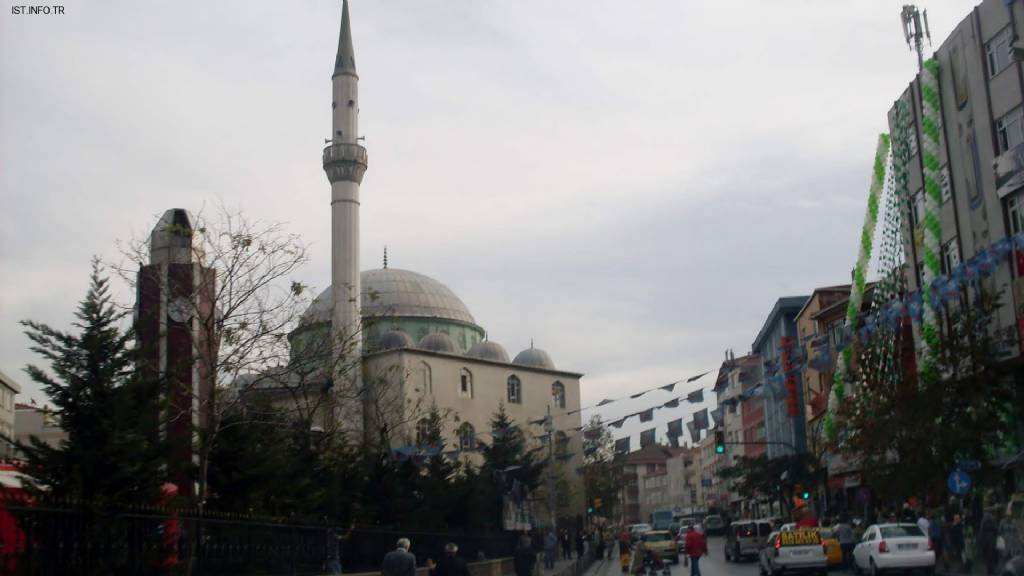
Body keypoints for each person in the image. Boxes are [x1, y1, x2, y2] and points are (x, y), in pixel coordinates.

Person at [979, 508, 999, 576]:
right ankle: (991, 570)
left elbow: (981, 530)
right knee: (991, 556)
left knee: (987, 556)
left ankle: (988, 570)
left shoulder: (983, 520)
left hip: (985, 540)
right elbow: (996, 529)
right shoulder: (992, 519)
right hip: (991, 540)